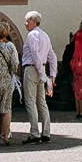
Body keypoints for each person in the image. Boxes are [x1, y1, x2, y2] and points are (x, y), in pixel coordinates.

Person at [20, 10, 57, 144]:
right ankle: (46, 132)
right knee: (42, 103)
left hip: (32, 68)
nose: (25, 24)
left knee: (30, 101)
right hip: (41, 68)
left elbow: (35, 54)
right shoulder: (45, 35)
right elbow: (52, 56)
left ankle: (34, 133)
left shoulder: (32, 35)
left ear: (33, 22)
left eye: (27, 21)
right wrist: (51, 76)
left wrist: (42, 73)